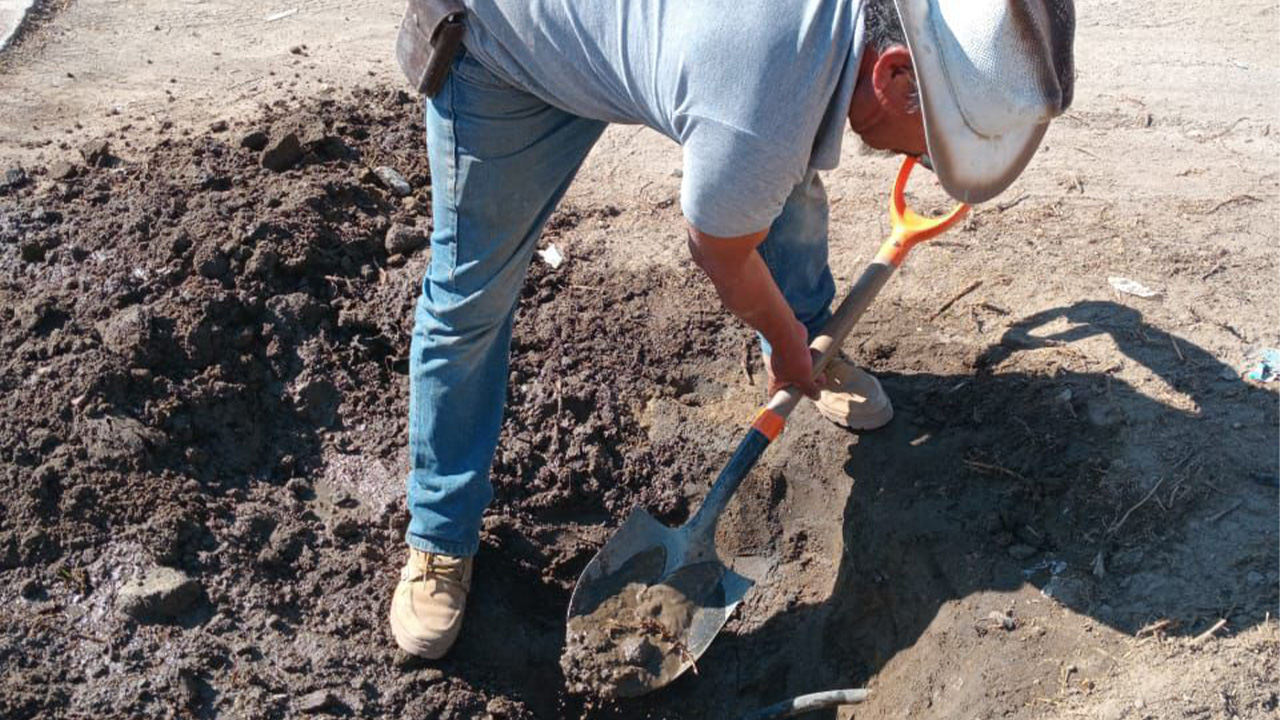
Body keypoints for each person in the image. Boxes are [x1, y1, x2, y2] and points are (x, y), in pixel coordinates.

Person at [389, 0, 1076, 659]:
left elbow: (766, 158)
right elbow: (719, 248)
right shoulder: (763, 109)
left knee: (781, 176)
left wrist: (796, 333)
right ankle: (439, 534)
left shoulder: (811, 64)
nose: (924, 164)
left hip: (661, 47)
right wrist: (782, 346)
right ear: (894, 73)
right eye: (935, 147)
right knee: (468, 301)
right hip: (505, 46)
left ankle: (818, 334)